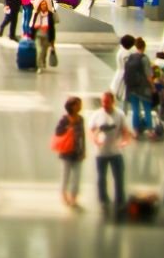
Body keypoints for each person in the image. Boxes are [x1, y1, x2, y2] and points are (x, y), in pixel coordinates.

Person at [88, 91, 131, 221]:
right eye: (103, 102)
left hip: (115, 152)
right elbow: (91, 131)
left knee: (119, 177)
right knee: (101, 177)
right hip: (101, 153)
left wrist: (125, 141)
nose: (105, 105)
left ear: (113, 102)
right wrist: (95, 140)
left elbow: (125, 131)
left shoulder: (119, 115)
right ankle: (103, 200)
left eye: (107, 102)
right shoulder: (96, 115)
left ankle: (120, 200)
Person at [54, 96, 86, 208]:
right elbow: (58, 132)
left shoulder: (81, 119)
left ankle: (74, 197)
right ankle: (64, 195)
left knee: (77, 177)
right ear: (72, 106)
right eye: (78, 104)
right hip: (66, 152)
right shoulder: (64, 119)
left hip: (77, 152)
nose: (80, 106)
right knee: (65, 176)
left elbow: (82, 135)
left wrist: (84, 150)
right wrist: (69, 127)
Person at [31, 0, 56, 74]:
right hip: (44, 26)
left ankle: (41, 63)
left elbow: (36, 5)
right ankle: (40, 63)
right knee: (42, 49)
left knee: (42, 49)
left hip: (43, 26)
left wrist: (33, 2)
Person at [110, 35, 136, 102]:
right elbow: (129, 66)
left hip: (119, 74)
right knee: (123, 95)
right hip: (124, 76)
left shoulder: (120, 51)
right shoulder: (126, 54)